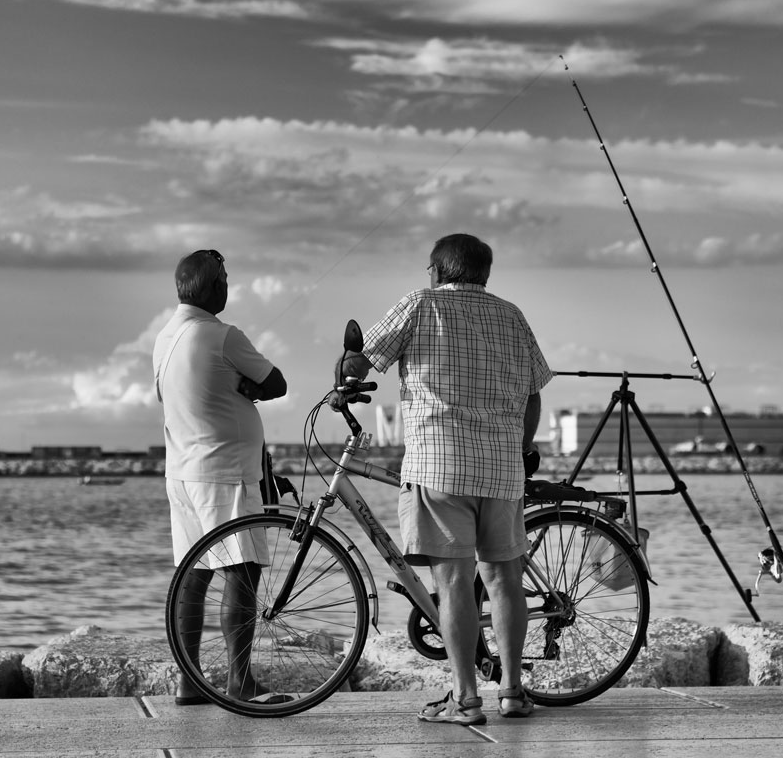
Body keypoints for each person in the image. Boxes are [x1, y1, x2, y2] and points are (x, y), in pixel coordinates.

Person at [337, 233, 552, 724]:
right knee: (504, 580)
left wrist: (343, 376)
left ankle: (465, 699)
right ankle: (514, 692)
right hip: (502, 467)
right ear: (484, 274)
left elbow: (361, 359)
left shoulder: (420, 304)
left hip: (441, 464)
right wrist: (519, 448)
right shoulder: (512, 315)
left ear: (435, 271)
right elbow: (534, 395)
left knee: (453, 581)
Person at [153, 248, 287, 705]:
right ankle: (239, 682)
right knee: (242, 570)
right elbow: (276, 383)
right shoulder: (222, 335)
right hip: (225, 474)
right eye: (225, 278)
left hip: (182, 472)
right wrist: (249, 388)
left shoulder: (164, 336)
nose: (229, 286)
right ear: (211, 287)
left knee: (194, 574)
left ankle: (190, 682)